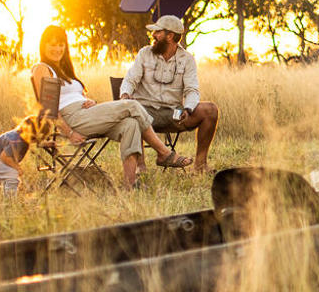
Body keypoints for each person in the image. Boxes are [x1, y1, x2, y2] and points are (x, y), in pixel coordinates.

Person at [30, 25, 189, 189]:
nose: (57, 49)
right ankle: (164, 153)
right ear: (43, 45)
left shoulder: (64, 70)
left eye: (61, 44)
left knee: (131, 124)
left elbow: (72, 95)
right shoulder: (42, 68)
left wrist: (89, 101)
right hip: (73, 119)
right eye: (52, 44)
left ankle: (130, 185)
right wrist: (68, 132)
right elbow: (48, 108)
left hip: (87, 115)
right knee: (132, 105)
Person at [120, 15, 220, 172]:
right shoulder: (144, 53)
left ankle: (200, 165)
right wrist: (125, 94)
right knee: (133, 112)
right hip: (145, 111)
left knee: (210, 110)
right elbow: (130, 79)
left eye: (158, 32)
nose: (153, 35)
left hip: (175, 112)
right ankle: (140, 166)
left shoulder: (187, 59)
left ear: (170, 36)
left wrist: (187, 109)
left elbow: (192, 90)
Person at [0, 113, 49, 198]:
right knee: (12, 175)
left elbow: (31, 141)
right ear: (33, 135)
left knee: (10, 177)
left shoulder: (22, 135)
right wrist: (17, 167)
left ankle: (7, 197)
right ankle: (10, 201)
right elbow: (4, 157)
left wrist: (44, 144)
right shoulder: (17, 141)